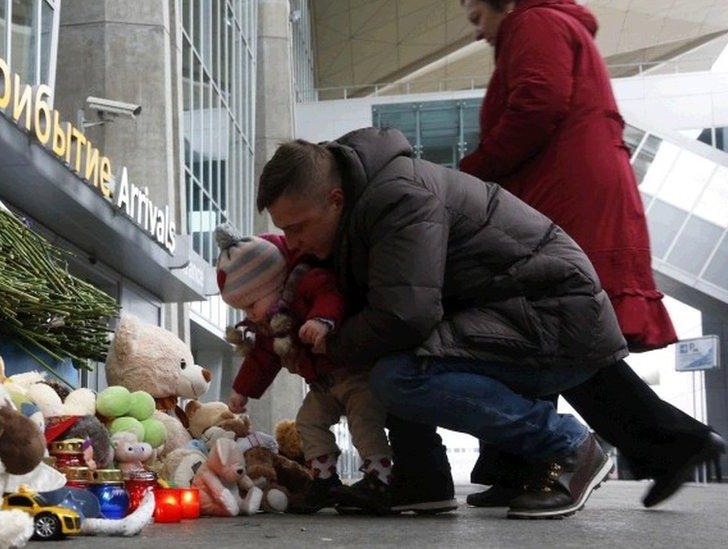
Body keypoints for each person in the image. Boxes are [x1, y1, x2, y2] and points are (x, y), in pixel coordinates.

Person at [257, 128, 623, 519]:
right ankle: (421, 482)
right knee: (391, 359)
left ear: (335, 200)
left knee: (400, 376)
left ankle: (570, 445)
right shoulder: (365, 205)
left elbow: (405, 315)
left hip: (556, 318)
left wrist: (333, 345)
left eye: (297, 227)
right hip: (527, 315)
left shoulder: (397, 198)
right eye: (283, 231)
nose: (291, 242)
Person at [458, 0, 724, 508]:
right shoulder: (547, 24)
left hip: (566, 198)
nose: (477, 33)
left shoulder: (532, 22)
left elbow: (538, 102)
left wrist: (473, 172)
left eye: (478, 18)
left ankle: (670, 441)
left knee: (554, 329)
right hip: (570, 192)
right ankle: (520, 463)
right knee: (537, 329)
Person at [213, 225, 397, 514]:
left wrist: (322, 320)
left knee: (364, 423)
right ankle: (324, 479)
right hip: (323, 385)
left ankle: (379, 479)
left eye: (251, 304)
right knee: (308, 422)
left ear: (271, 283)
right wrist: (241, 391)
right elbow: (262, 358)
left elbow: (331, 294)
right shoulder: (270, 325)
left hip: (354, 374)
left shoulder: (307, 280)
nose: (249, 315)